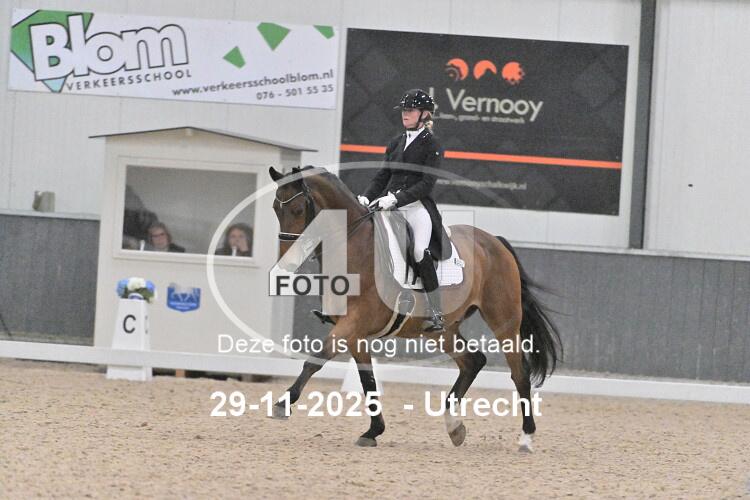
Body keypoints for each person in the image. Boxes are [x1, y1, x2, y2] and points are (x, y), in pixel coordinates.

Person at [358, 88, 451, 332]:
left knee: (419, 250)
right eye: (404, 110)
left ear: (425, 114)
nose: (405, 114)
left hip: (416, 207)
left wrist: (396, 200)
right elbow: (383, 176)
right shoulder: (396, 142)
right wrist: (367, 196)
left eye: (410, 110)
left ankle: (436, 313)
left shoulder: (432, 145)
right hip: (388, 204)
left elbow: (426, 184)